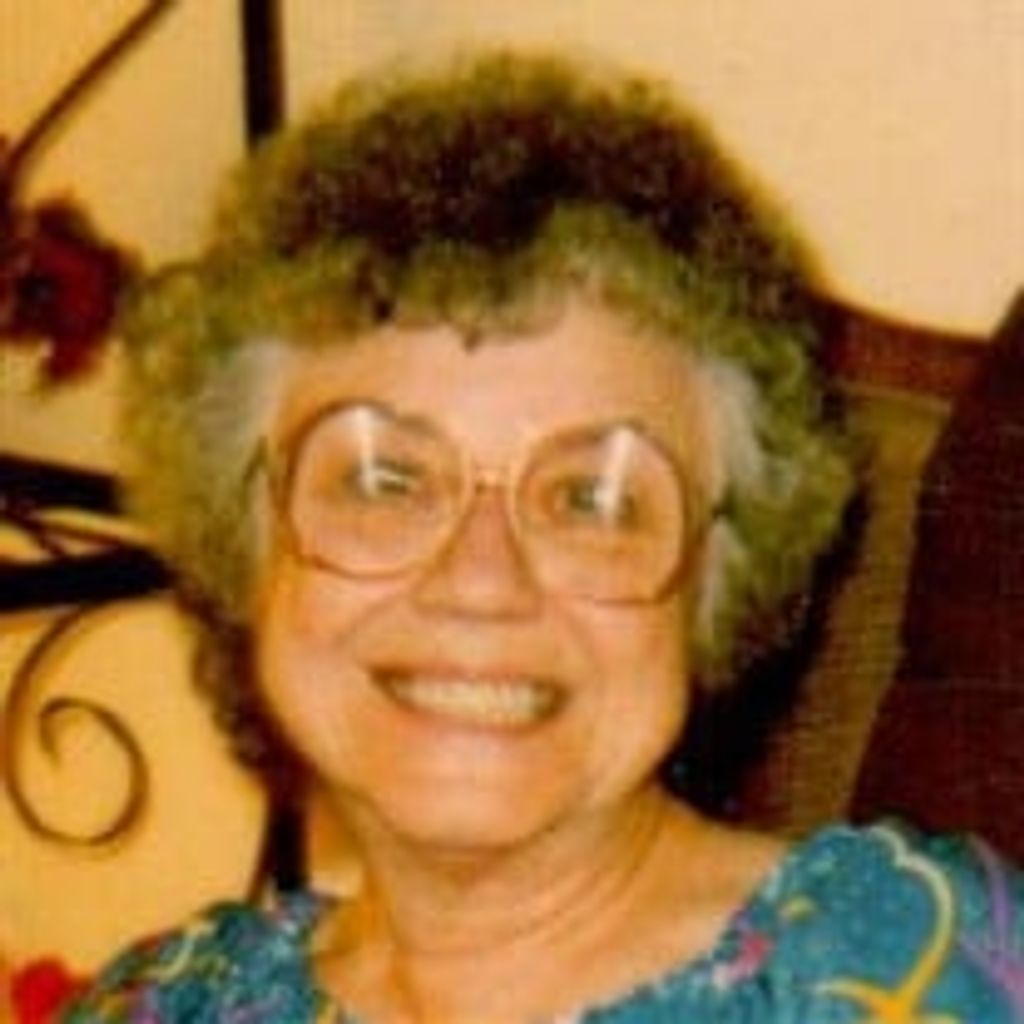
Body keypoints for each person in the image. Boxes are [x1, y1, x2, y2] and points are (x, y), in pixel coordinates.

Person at [55, 51, 1022, 1022]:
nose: (480, 581)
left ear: (715, 582)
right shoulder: (157, 1003)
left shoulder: (905, 967)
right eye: (386, 480)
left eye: (590, 500)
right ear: (250, 543)